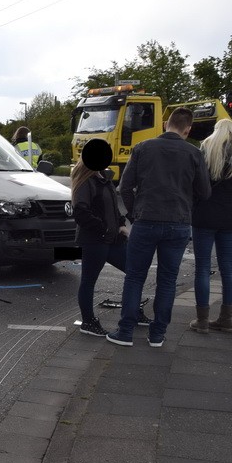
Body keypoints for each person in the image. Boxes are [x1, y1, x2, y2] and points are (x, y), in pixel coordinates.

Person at [106, 107, 212, 347]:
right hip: (178, 223)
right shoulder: (194, 153)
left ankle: (125, 332)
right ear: (188, 129)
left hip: (146, 221)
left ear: (166, 124)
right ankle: (157, 334)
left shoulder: (143, 148)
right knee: (167, 280)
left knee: (135, 277)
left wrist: (135, 213)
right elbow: (205, 192)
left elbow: (124, 187)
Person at [71, 138, 151, 336]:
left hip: (112, 239)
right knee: (89, 281)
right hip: (95, 240)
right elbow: (81, 212)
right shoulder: (86, 181)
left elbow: (113, 210)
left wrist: (121, 225)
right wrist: (105, 229)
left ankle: (132, 311)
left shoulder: (103, 179)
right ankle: (88, 322)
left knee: (134, 271)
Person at [189, 119, 232, 334]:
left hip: (204, 214)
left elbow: (195, 181)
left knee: (202, 269)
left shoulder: (206, 149)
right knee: (227, 268)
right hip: (231, 215)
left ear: (216, 132)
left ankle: (202, 320)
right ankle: (226, 319)